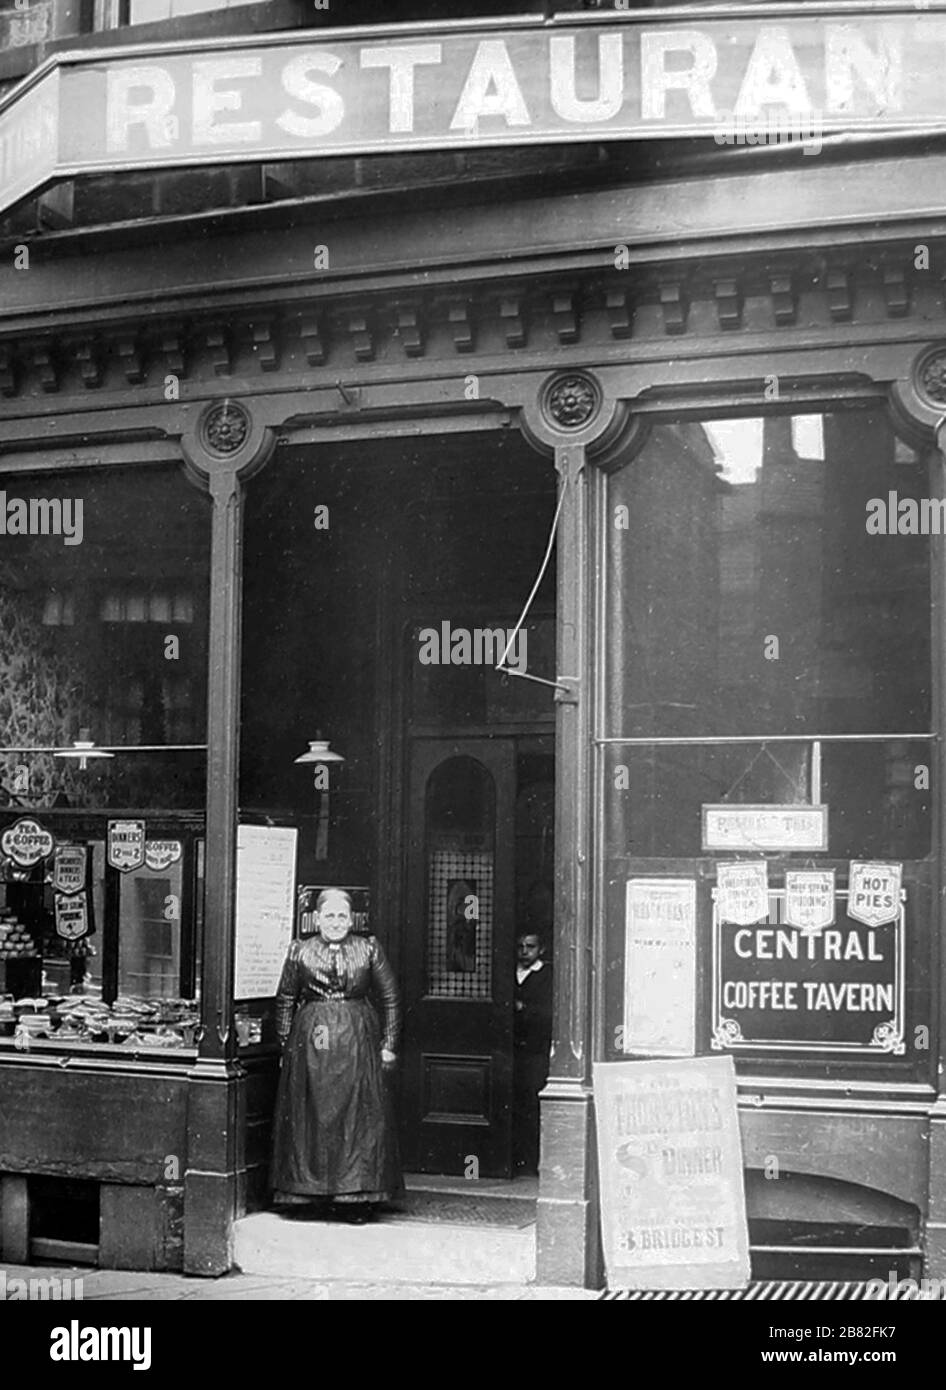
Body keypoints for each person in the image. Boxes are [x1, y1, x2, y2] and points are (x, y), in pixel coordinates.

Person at [270, 888, 402, 1220]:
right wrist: (286, 1044)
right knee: (313, 1112)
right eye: (329, 915)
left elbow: (390, 997)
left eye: (342, 916)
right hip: (312, 1041)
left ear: (352, 918)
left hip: (358, 1040)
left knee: (358, 1114)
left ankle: (356, 1196)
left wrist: (388, 1045)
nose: (336, 922)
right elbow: (285, 998)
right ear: (316, 919)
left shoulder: (368, 948)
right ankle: (309, 1194)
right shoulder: (300, 951)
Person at [512, 930, 553, 1175]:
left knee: (531, 1103)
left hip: (535, 1050)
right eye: (520, 946)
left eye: (530, 946)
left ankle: (531, 1162)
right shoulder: (509, 973)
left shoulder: (546, 975)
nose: (524, 951)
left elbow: (546, 1012)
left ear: (541, 950)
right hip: (510, 1051)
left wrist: (522, 1008)